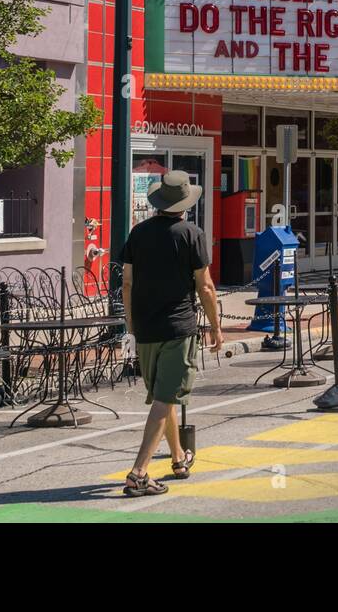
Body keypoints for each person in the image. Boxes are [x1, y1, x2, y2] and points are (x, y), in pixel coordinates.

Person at [121, 170, 224, 496]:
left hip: (146, 327)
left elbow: (126, 281)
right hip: (178, 328)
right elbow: (205, 286)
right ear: (185, 203)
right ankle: (138, 473)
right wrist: (216, 327)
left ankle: (179, 459)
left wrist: (130, 323)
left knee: (164, 398)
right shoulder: (191, 234)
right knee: (165, 399)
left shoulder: (138, 233)